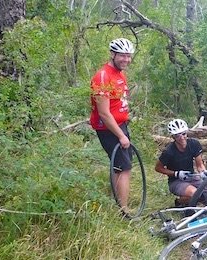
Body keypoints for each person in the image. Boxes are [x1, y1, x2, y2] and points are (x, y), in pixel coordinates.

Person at [90, 38, 135, 219]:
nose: (126, 59)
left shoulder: (120, 74)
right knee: (125, 168)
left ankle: (117, 204)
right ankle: (123, 211)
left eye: (128, 56)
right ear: (113, 54)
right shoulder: (102, 76)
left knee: (120, 167)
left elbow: (119, 101)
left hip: (121, 125)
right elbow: (104, 113)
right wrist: (121, 136)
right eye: (123, 56)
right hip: (109, 129)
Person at [155, 119, 207, 207]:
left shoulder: (194, 144)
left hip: (191, 177)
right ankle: (179, 202)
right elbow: (158, 168)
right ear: (173, 137)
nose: (182, 138)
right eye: (177, 136)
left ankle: (195, 201)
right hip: (176, 181)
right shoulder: (169, 151)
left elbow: (199, 164)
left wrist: (203, 171)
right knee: (194, 193)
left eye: (183, 134)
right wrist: (176, 174)